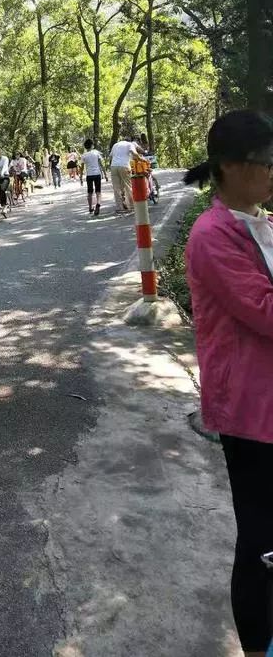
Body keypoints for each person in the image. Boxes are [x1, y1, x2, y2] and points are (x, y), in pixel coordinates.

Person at [184, 110, 273, 657]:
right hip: (249, 407)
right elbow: (263, 310)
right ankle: (258, 645)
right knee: (260, 538)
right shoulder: (213, 234)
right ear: (234, 168)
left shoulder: (259, 221)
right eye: (266, 164)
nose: (272, 173)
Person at [109, 136, 141, 213]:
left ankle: (119, 207)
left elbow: (110, 156)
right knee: (128, 186)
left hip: (113, 167)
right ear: (129, 141)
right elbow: (134, 153)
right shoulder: (130, 144)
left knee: (116, 188)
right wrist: (140, 158)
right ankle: (132, 206)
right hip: (124, 166)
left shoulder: (115, 145)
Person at [79, 139, 108, 216]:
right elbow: (101, 164)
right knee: (98, 192)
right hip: (97, 174)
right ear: (92, 145)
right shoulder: (96, 153)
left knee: (89, 192)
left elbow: (81, 168)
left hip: (89, 175)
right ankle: (98, 204)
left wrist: (81, 178)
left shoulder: (84, 155)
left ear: (85, 147)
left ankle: (90, 207)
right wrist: (105, 174)